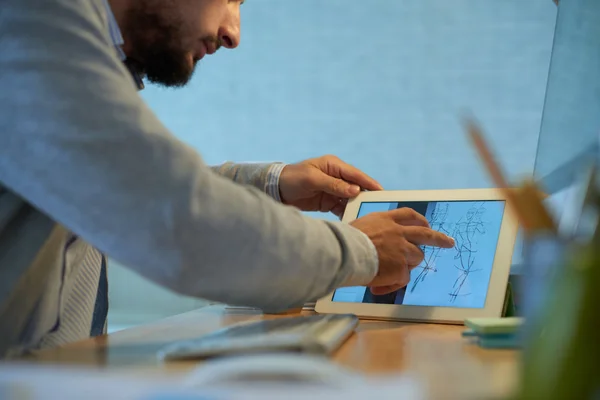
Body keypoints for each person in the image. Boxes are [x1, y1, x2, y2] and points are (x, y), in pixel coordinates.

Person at [0, 0, 454, 358]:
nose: (233, 33)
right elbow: (178, 221)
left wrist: (272, 184)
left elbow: (125, 184)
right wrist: (363, 251)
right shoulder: (29, 28)